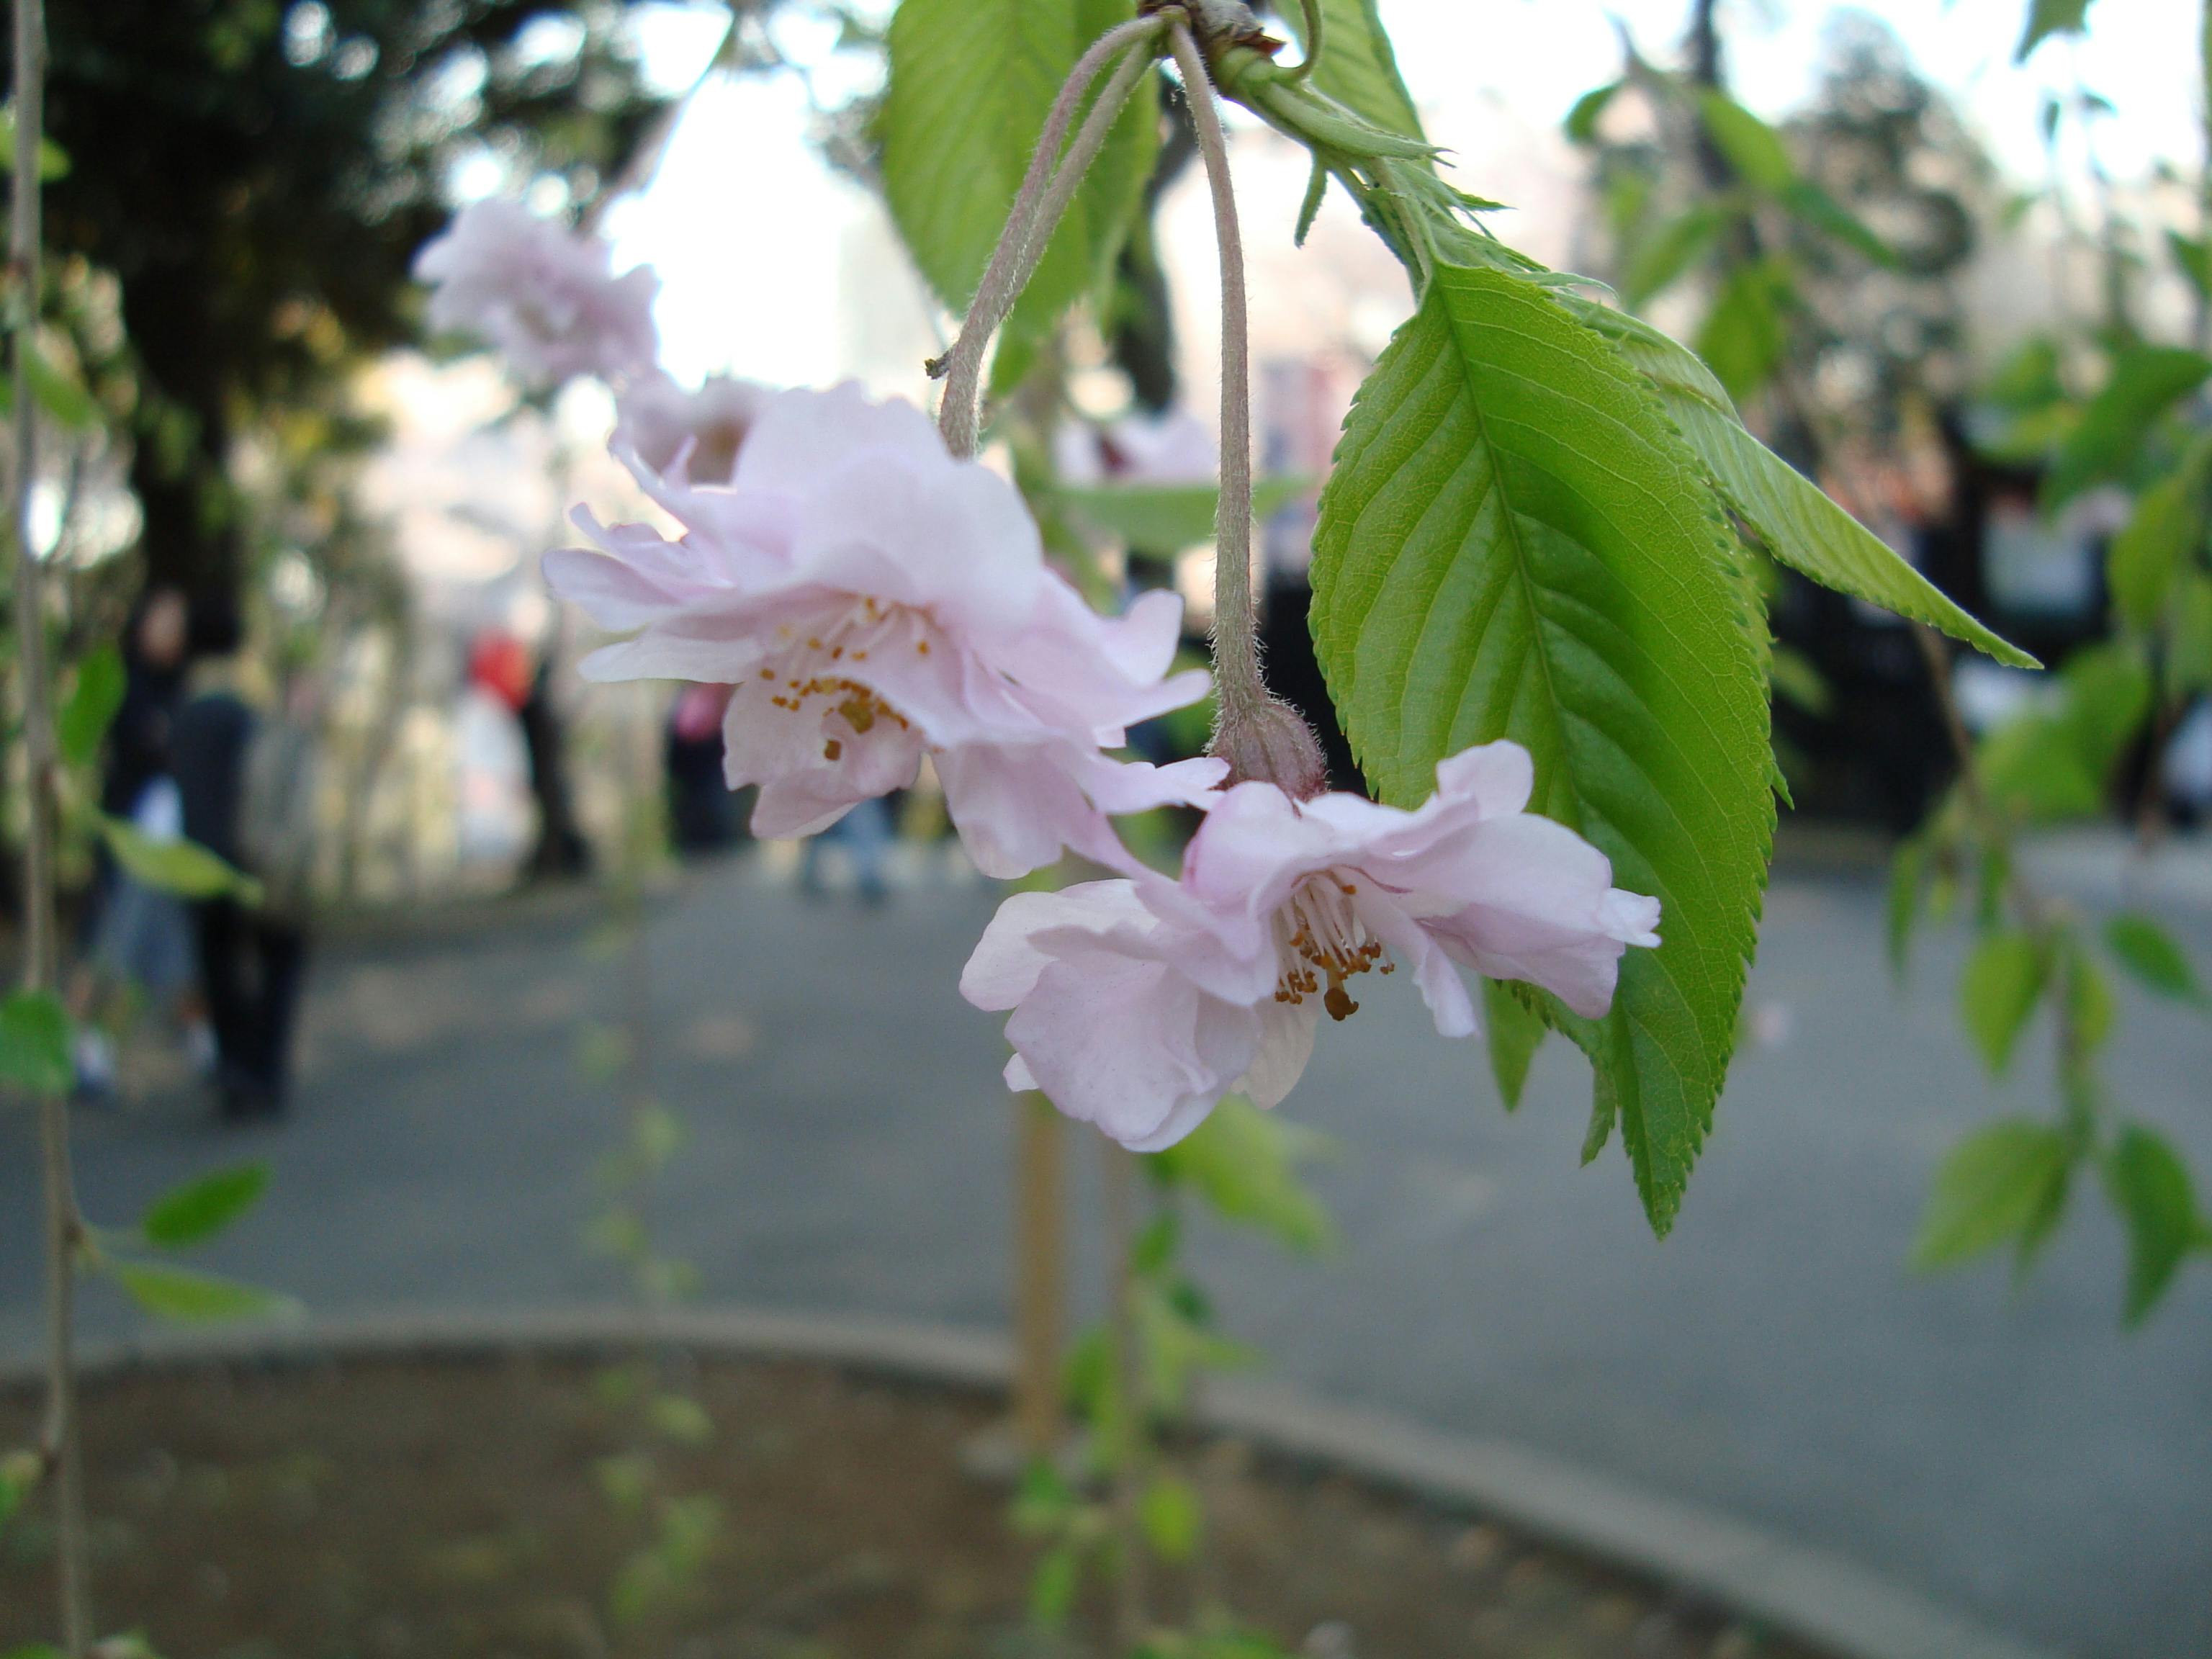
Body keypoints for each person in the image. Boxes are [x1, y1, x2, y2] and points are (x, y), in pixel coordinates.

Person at [170, 600, 310, 1120]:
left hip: (193, 862)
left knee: (218, 969)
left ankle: (235, 1071)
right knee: (270, 961)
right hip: (247, 862)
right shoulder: (245, 712)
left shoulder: (185, 714)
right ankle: (262, 1072)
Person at [72, 588, 214, 1096]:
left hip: (170, 851)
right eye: (163, 621)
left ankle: (200, 1040)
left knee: (172, 949)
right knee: (111, 945)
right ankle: (84, 1049)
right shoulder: (123, 681)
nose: (171, 632)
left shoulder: (183, 689)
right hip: (127, 843)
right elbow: (135, 742)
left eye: (178, 623)